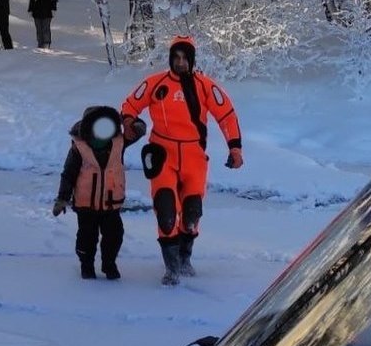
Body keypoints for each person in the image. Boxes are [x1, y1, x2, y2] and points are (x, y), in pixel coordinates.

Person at [120, 36, 243, 285]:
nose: (180, 62)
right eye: (176, 57)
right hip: (162, 153)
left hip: (194, 157)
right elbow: (130, 105)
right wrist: (130, 123)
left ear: (192, 59)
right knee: (166, 211)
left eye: (185, 58)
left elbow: (227, 115)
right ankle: (171, 267)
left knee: (191, 214)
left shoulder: (205, 86)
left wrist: (235, 148)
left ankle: (185, 257)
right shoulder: (156, 83)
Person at [53, 106, 144, 280]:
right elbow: (68, 174)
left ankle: (109, 264)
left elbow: (136, 132)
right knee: (87, 237)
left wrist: (138, 125)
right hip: (86, 204)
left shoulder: (119, 142)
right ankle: (86, 265)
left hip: (111, 204)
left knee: (115, 235)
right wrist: (62, 199)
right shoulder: (79, 148)